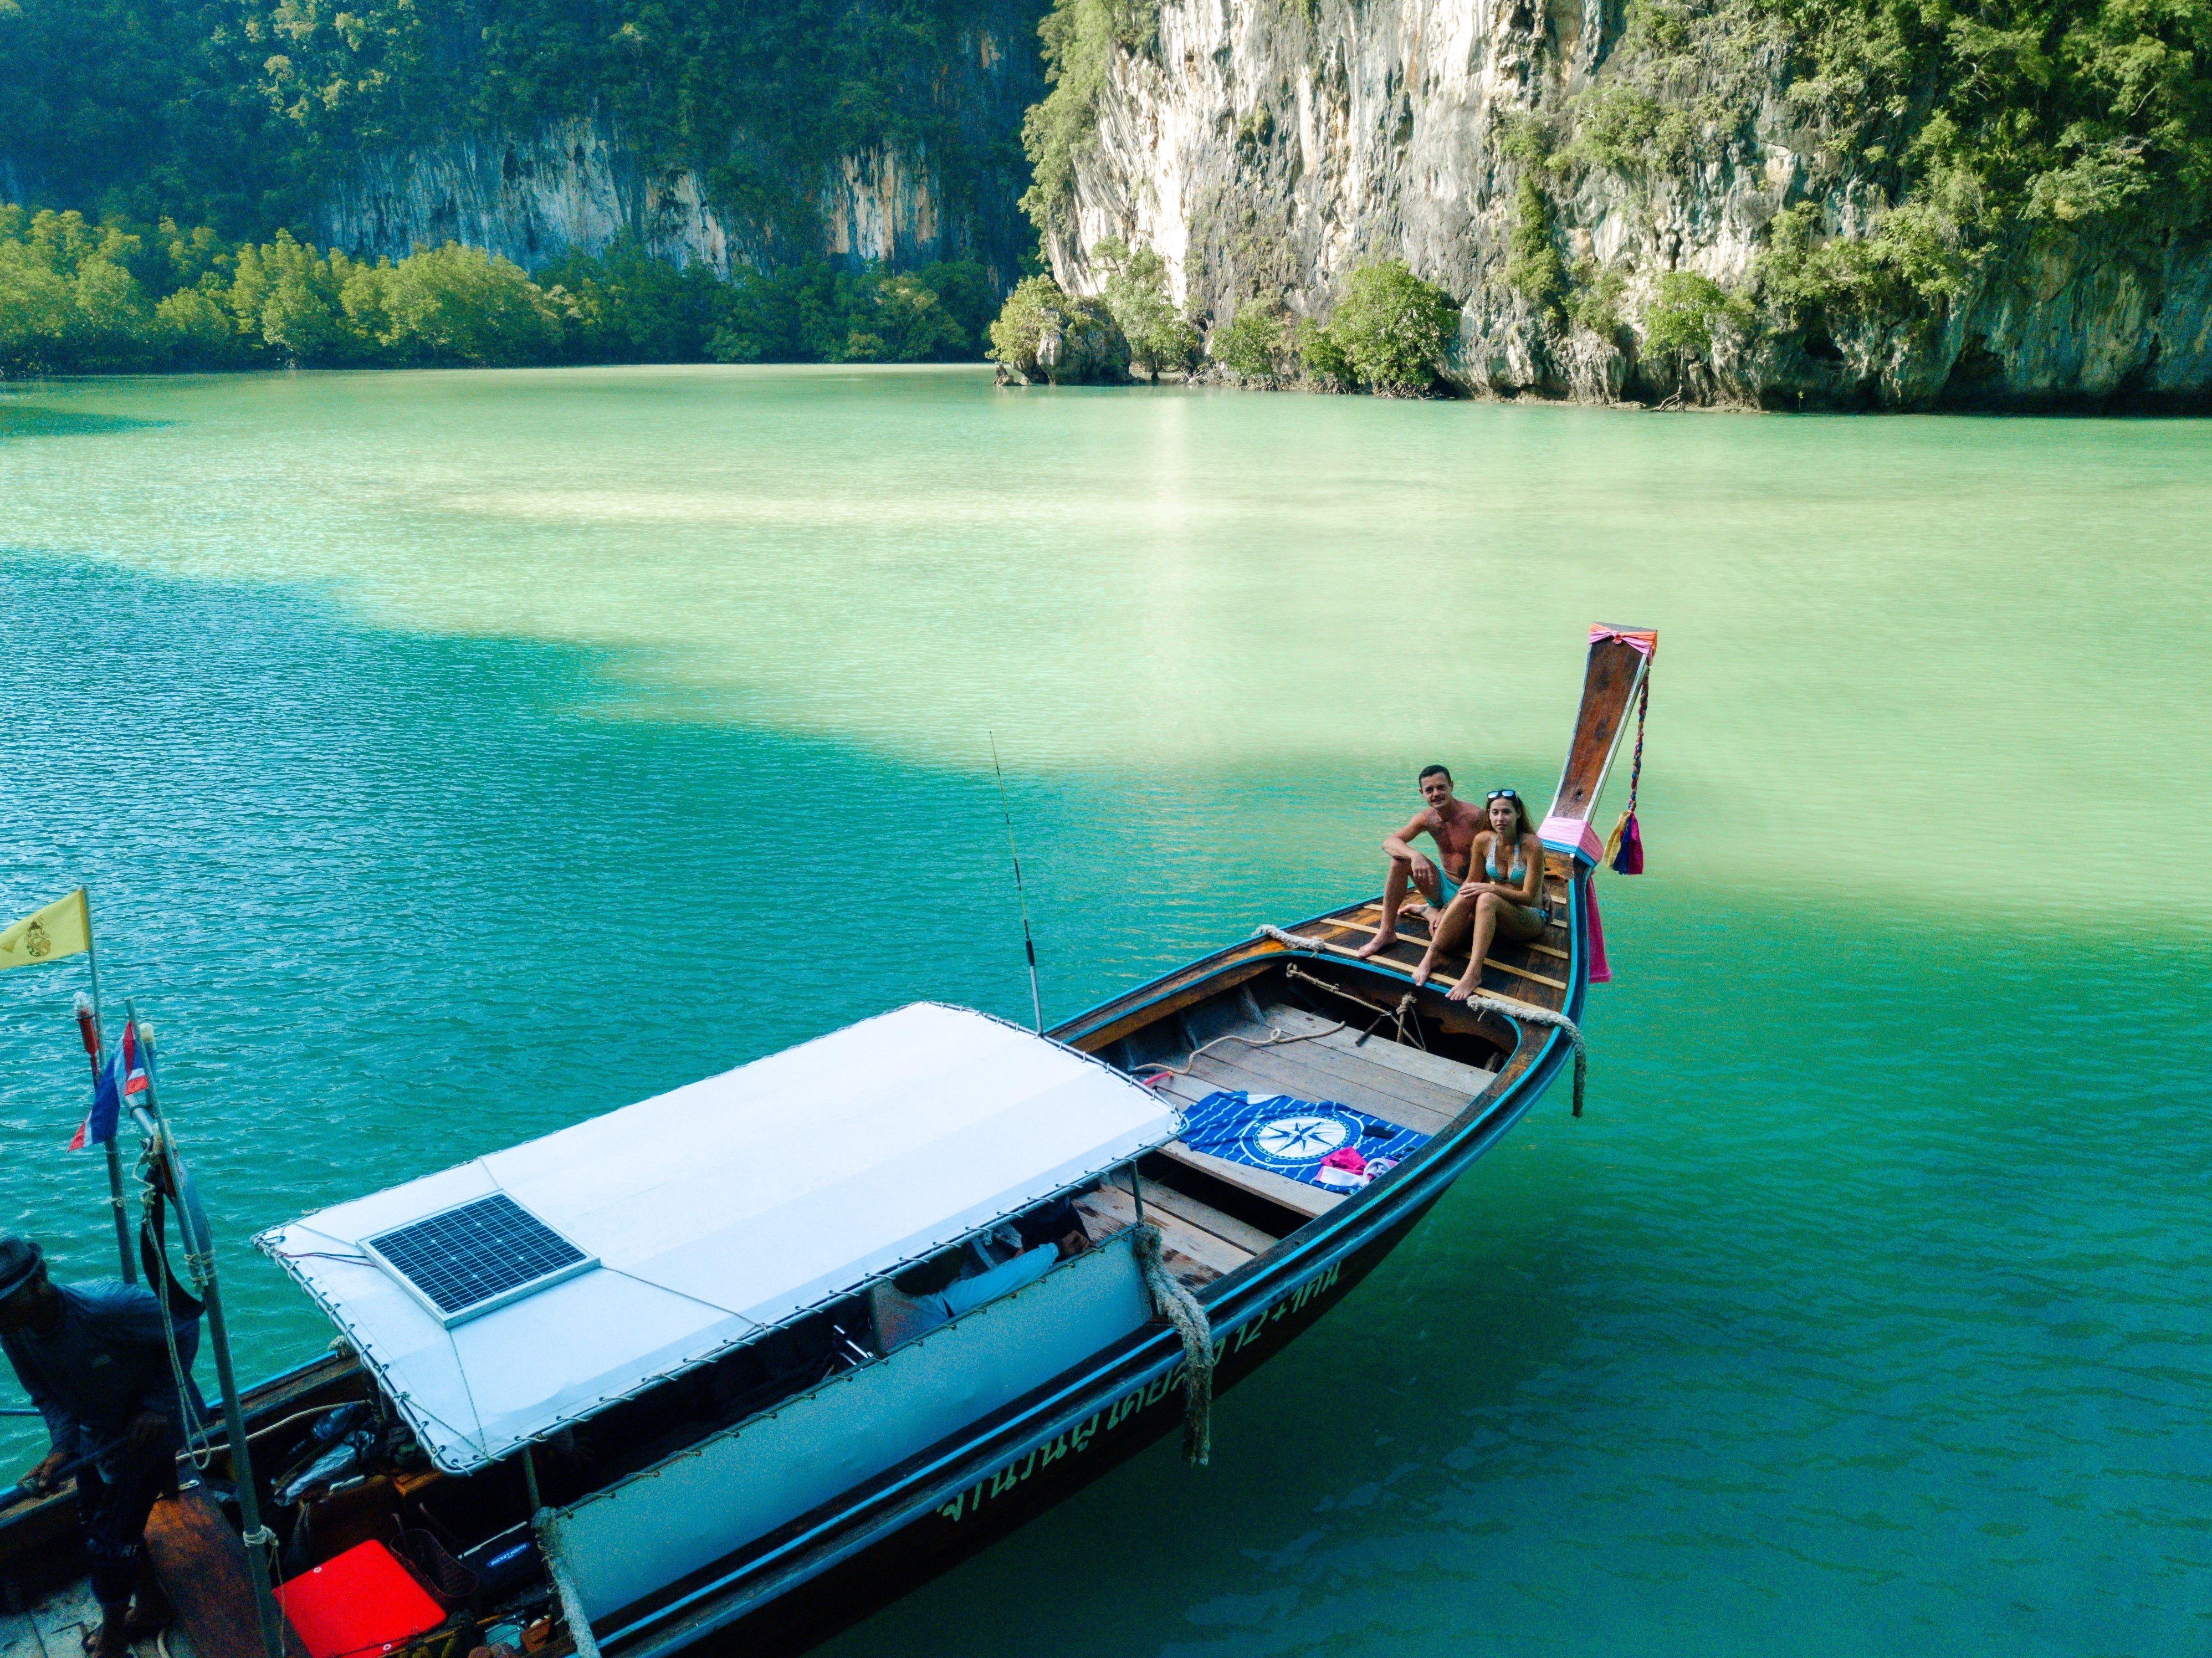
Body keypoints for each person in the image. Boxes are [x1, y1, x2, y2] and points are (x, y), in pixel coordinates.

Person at [0, 1234, 196, 1655]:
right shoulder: (13, 1330)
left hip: (151, 1430)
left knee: (110, 1540)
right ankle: (153, 1602)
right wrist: (62, 1448)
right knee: (94, 1517)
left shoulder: (108, 1307)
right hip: (99, 1436)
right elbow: (46, 1395)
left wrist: (157, 1404)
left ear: (40, 1281)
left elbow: (184, 1324)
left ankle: (115, 1636)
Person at [1409, 788, 1550, 999]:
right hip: (1503, 913)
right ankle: (1431, 956)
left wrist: (1491, 887)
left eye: (1507, 812)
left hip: (1531, 917)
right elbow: (1470, 882)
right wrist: (1447, 910)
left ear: (1518, 813)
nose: (1500, 818)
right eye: (1495, 813)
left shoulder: (1532, 845)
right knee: (1471, 891)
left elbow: (1530, 896)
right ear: (1489, 815)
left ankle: (1473, 974)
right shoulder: (1484, 840)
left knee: (1486, 897)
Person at [1351, 765, 1484, 960]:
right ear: (1422, 793)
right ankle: (1386, 932)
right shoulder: (1426, 819)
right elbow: (1389, 842)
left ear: (1451, 786)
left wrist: (1538, 884)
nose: (1436, 794)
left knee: (1445, 943)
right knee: (1399, 861)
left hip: (1468, 890)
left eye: (1441, 787)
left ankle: (1428, 911)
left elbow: (1506, 848)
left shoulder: (1475, 817)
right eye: (1429, 790)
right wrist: (1414, 855)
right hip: (1441, 883)